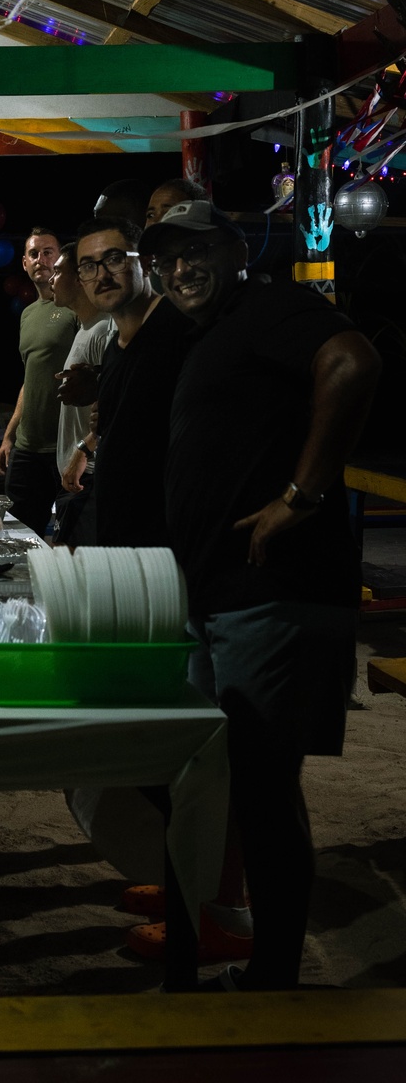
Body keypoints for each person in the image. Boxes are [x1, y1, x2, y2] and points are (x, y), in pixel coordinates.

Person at [140, 198, 381, 990]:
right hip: (224, 594)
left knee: (264, 787)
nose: (182, 268)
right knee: (226, 782)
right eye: (167, 258)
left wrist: (302, 496)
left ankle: (276, 979)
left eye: (198, 249)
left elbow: (352, 361)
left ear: (236, 250)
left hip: (273, 592)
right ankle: (230, 956)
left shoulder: (268, 306)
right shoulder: (213, 335)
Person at [69, 216, 191, 547]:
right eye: (88, 267)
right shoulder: (113, 348)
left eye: (114, 259)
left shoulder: (178, 328)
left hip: (168, 534)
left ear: (146, 263)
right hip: (121, 530)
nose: (102, 276)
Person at [0, 228, 78, 537]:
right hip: (28, 447)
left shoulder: (75, 307)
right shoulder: (28, 314)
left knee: (70, 536)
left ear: (60, 258)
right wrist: (9, 435)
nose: (41, 259)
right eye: (34, 254)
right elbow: (31, 378)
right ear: (24, 264)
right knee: (18, 535)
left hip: (66, 446)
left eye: (48, 252)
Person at [49, 244, 116, 547]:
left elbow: (112, 402)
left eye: (58, 270)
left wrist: (84, 449)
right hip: (77, 477)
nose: (51, 277)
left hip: (88, 478)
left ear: (79, 278)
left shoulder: (103, 330)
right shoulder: (85, 328)